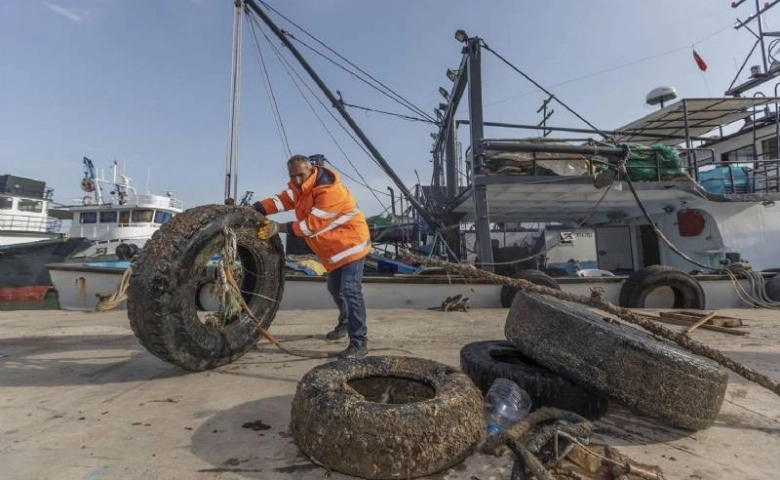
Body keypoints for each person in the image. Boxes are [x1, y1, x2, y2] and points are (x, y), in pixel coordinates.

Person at [253, 154, 371, 359]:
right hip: (333, 249)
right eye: (293, 176)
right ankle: (345, 323)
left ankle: (359, 342)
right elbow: (280, 201)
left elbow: (311, 226)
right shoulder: (299, 189)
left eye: (301, 175)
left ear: (311, 170)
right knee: (335, 288)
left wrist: (278, 227)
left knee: (350, 290)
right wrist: (254, 209)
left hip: (351, 245)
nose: (297, 180)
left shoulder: (330, 191)